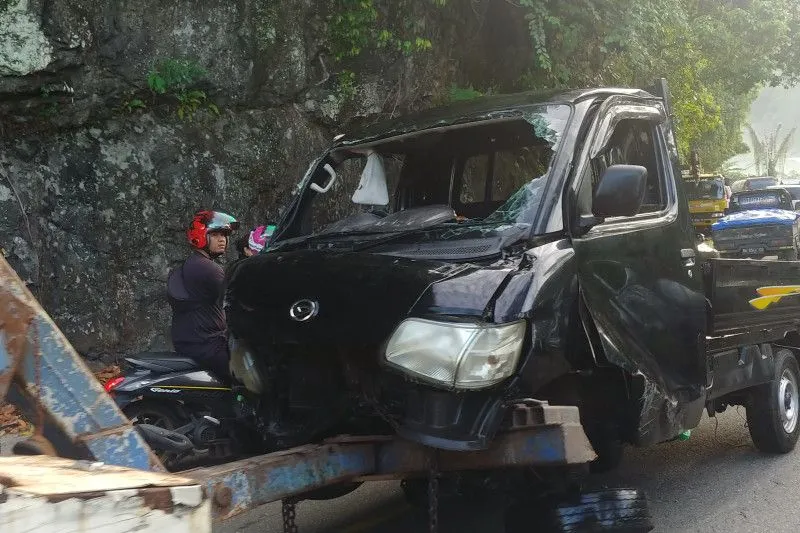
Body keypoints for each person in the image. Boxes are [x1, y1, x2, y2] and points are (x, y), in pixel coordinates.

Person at [167, 210, 239, 379]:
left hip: (192, 342)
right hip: (208, 345)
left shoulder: (191, 264)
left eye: (225, 235)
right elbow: (237, 297)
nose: (222, 239)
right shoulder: (207, 268)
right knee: (253, 378)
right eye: (215, 234)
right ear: (200, 236)